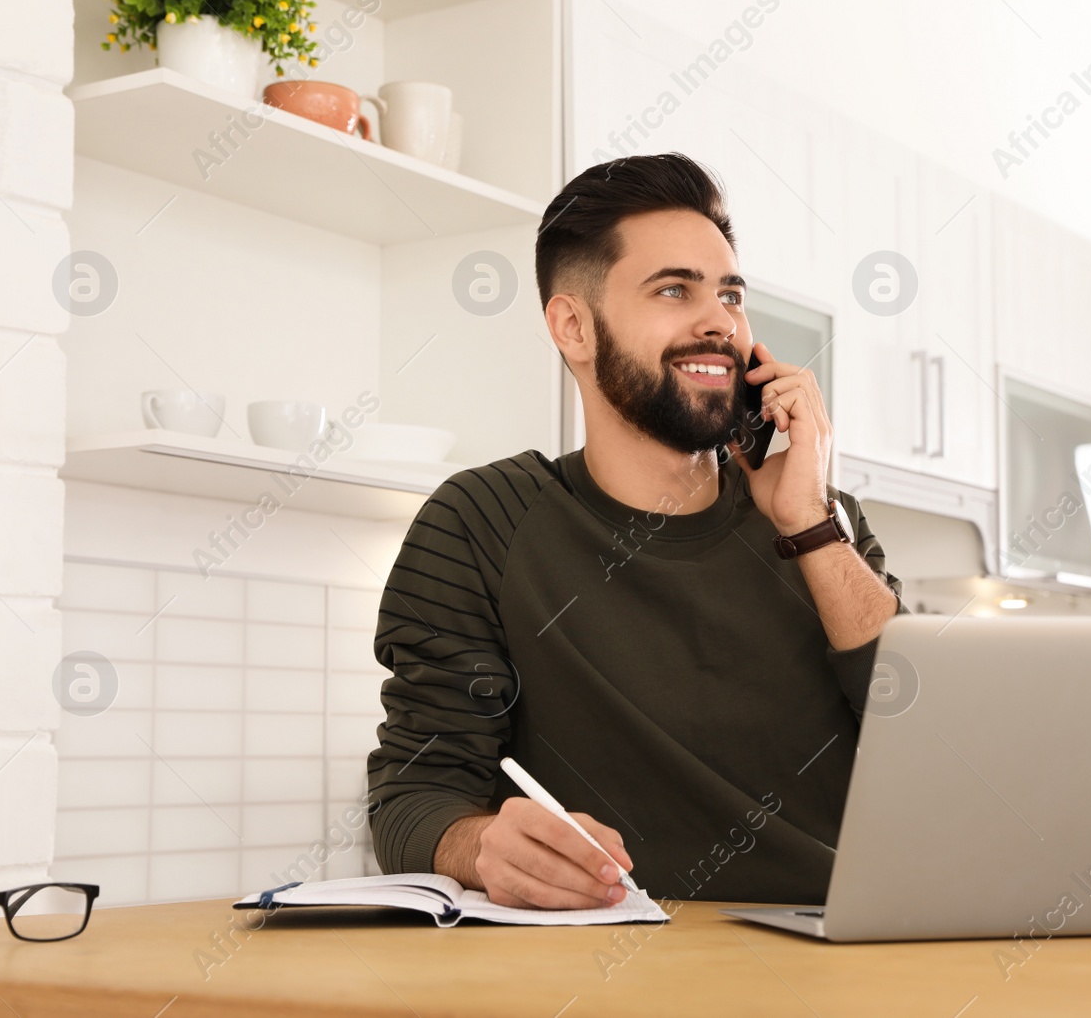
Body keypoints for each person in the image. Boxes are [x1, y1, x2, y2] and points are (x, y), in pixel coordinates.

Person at [366, 153, 905, 909]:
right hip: (608, 961)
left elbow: (924, 745)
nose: (720, 320)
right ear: (574, 327)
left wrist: (809, 525)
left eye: (730, 294)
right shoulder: (479, 523)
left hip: (840, 956)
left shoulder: (822, 518)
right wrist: (483, 846)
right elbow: (413, 798)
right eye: (675, 289)